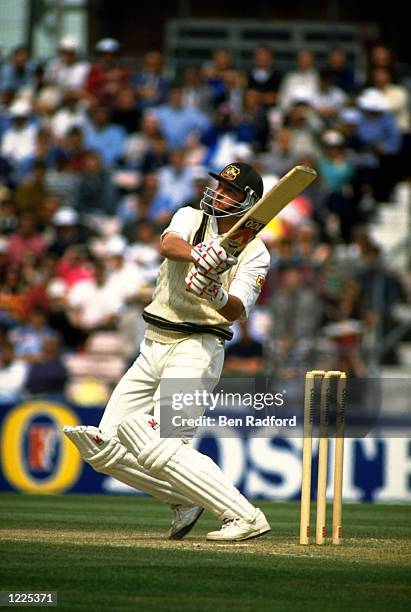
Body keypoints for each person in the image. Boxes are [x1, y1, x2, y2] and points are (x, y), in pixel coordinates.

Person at [63, 161, 271, 542]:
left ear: (249, 203)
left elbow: (237, 308)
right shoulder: (190, 217)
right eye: (219, 186)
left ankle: (245, 516)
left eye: (230, 191)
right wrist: (199, 256)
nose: (219, 194)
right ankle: (185, 499)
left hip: (197, 346)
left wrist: (215, 291)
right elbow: (168, 244)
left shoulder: (255, 252)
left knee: (164, 441)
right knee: (103, 446)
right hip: (152, 345)